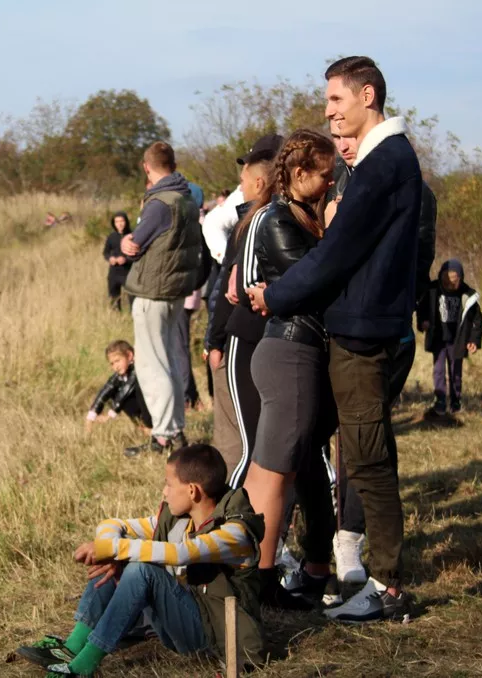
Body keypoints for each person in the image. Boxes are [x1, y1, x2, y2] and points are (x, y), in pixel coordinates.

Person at [249, 56, 419, 622]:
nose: (329, 113)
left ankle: (390, 588)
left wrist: (273, 296)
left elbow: (334, 257)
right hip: (357, 326)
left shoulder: (383, 163)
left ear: (367, 96)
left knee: (369, 459)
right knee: (342, 453)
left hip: (364, 331)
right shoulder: (380, 163)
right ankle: (321, 564)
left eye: (337, 101)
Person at [16, 444, 266, 676]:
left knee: (139, 569)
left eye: (169, 484)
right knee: (123, 560)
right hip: (185, 618)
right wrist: (113, 553)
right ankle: (72, 647)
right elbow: (113, 525)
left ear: (192, 490)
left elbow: (183, 553)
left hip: (217, 636)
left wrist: (113, 549)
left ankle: (84, 666)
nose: (164, 492)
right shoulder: (181, 517)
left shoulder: (235, 534)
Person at [324, 127, 437, 585]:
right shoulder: (337, 183)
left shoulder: (413, 192)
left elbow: (410, 266)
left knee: (364, 443)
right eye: (338, 140)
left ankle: (353, 542)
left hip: (383, 333)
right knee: (346, 438)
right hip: (334, 328)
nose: (344, 146)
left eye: (351, 137)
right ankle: (334, 536)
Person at [242, 130, 339, 610]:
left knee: (302, 473)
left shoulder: (304, 214)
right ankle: (258, 582)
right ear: (299, 174)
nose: (331, 183)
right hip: (289, 355)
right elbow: (313, 283)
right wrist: (338, 229)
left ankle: (310, 568)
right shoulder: (278, 219)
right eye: (326, 175)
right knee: (272, 476)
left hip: (301, 355)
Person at [202, 136, 282, 480]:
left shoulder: (257, 222)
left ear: (261, 180)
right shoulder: (272, 217)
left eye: (244, 178)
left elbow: (227, 291)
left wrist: (214, 341)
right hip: (266, 338)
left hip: (246, 337)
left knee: (240, 437)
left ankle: (232, 512)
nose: (240, 184)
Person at [121, 142, 203, 457]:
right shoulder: (186, 196)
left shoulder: (159, 203)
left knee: (151, 364)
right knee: (168, 360)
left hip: (153, 290)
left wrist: (129, 240)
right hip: (175, 290)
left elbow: (135, 245)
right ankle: (175, 430)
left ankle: (164, 436)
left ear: (147, 166)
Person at [418, 259, 482, 415]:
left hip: (457, 339)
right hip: (438, 338)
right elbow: (422, 308)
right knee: (439, 370)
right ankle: (440, 400)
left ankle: (456, 401)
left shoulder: (467, 295)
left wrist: (474, 340)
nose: (449, 286)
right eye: (446, 282)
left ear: (460, 279)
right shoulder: (432, 290)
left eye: (453, 283)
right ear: (441, 278)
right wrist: (423, 322)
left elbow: (477, 320)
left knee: (456, 371)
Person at [86, 340, 152, 431]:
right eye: (112, 363)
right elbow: (106, 390)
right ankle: (141, 425)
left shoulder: (138, 368)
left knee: (128, 392)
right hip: (144, 410)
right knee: (113, 391)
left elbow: (126, 391)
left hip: (152, 408)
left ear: (129, 356)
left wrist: (110, 415)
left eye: (117, 361)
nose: (115, 366)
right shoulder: (121, 374)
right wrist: (91, 416)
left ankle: (149, 426)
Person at [102, 212, 132, 311]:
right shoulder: (111, 237)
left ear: (126, 222)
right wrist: (110, 258)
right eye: (117, 222)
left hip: (128, 272)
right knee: (114, 298)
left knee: (132, 297)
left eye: (122, 221)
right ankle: (117, 318)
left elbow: (138, 253)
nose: (119, 224)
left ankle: (132, 316)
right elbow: (105, 252)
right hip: (114, 272)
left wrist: (126, 259)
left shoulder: (132, 235)